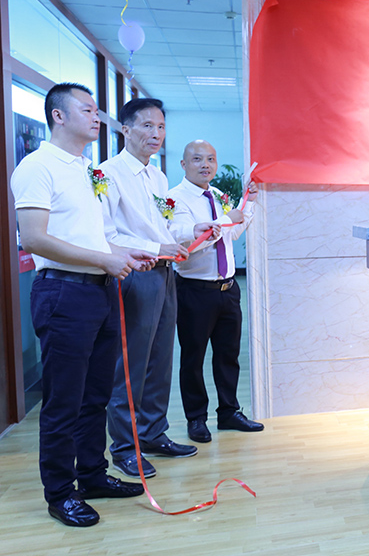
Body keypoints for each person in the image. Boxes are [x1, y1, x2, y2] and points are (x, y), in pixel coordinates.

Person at [11, 83, 154, 527]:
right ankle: (60, 493)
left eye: (96, 110)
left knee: (95, 394)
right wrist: (103, 259)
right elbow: (34, 239)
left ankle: (92, 475)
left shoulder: (87, 168)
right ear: (59, 116)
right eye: (88, 110)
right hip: (63, 292)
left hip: (99, 291)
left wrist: (123, 253)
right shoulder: (38, 167)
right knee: (64, 400)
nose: (97, 117)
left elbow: (91, 236)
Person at [100, 98, 219, 478]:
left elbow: (163, 226)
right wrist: (156, 247)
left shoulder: (158, 176)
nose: (156, 133)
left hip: (166, 272)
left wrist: (189, 232)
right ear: (126, 129)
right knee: (131, 365)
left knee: (160, 360)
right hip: (135, 273)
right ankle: (124, 447)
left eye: (161, 126)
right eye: (147, 125)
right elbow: (107, 235)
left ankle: (153, 434)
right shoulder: (107, 173)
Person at [168, 140, 264, 443]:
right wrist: (225, 219)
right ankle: (196, 418)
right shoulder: (174, 198)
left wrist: (247, 204)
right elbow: (187, 242)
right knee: (193, 358)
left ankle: (229, 412)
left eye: (210, 159)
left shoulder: (218, 195)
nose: (205, 165)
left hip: (228, 289)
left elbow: (231, 234)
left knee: (228, 355)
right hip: (194, 290)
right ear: (184, 164)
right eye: (197, 159)